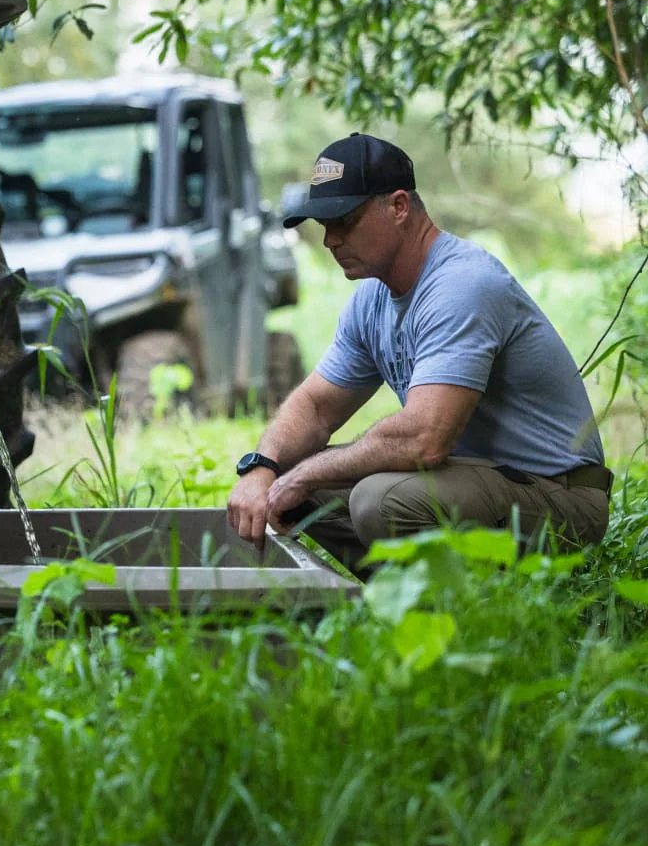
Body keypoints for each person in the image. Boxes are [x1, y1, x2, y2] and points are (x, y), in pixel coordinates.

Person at [227, 132, 610, 575]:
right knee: (295, 497)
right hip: (475, 480)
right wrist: (264, 468)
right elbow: (315, 407)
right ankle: (405, 609)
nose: (330, 240)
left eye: (344, 221)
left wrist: (302, 473)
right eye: (323, 225)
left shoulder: (462, 284)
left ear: (398, 207)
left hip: (558, 495)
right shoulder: (372, 299)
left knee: (377, 501)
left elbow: (424, 440)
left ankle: (472, 614)